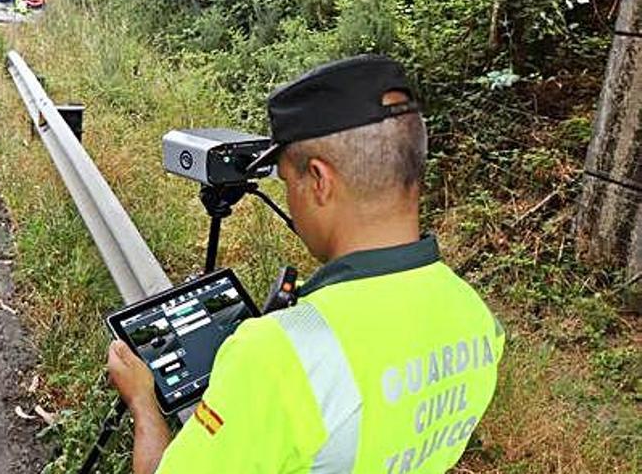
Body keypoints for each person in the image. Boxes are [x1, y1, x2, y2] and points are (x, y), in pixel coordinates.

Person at [107, 54, 505, 474]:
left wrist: (143, 404)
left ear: (319, 181)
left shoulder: (274, 357)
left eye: (284, 179)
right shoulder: (476, 317)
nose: (289, 201)